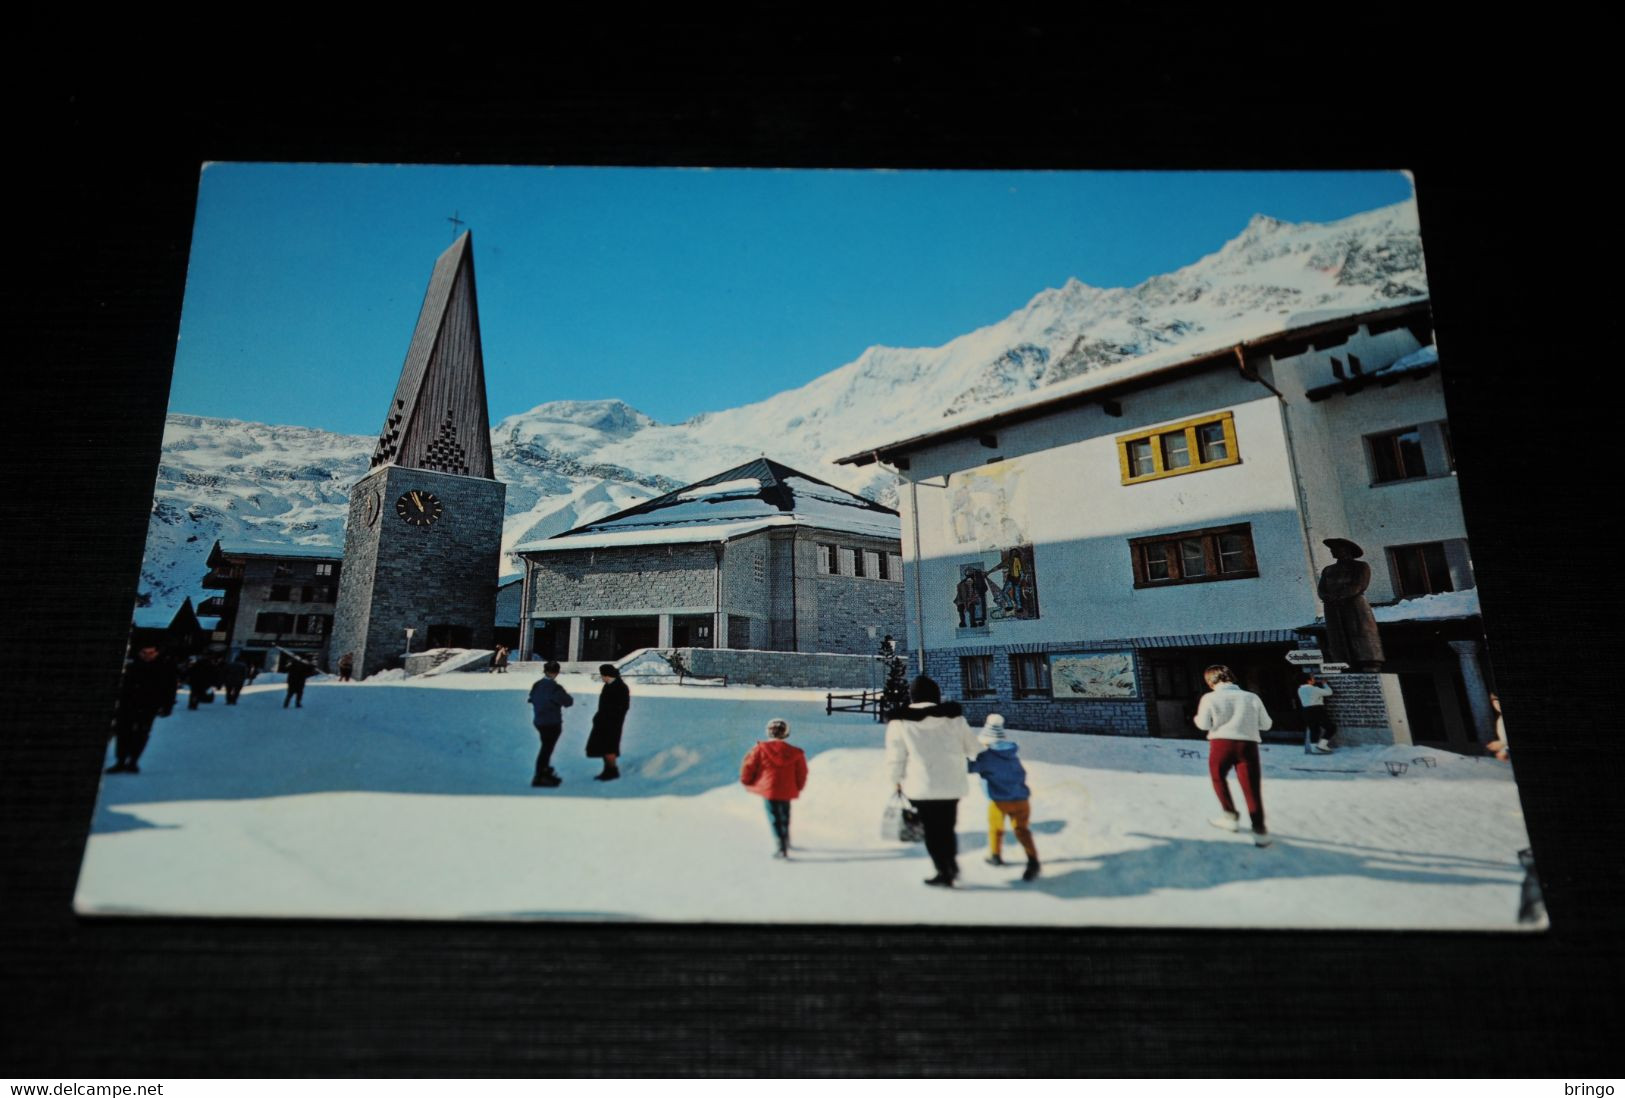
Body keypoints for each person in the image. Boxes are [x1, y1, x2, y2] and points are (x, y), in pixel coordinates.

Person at [885, 674, 983, 887]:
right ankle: (951, 864)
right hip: (952, 784)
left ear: (912, 697)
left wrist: (896, 780)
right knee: (947, 827)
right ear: (936, 695)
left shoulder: (900, 722)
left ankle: (943, 870)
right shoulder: (955, 719)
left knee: (931, 831)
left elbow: (896, 756)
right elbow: (974, 748)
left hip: (920, 786)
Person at [1194, 664, 1273, 847]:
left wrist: (1198, 718)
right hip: (1248, 745)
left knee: (1218, 778)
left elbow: (1203, 724)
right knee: (1251, 787)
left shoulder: (1210, 698)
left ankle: (1230, 816)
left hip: (1221, 744)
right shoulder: (1251, 697)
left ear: (1210, 680)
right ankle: (1259, 829)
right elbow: (1266, 725)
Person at [967, 714, 1041, 881]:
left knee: (996, 829)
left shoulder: (986, 757)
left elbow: (969, 767)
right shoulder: (1012, 754)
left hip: (999, 802)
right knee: (1022, 831)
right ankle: (1033, 859)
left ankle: (995, 855)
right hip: (1022, 800)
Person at [739, 718, 808, 858]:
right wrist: (798, 786)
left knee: (774, 816)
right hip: (788, 789)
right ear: (786, 733)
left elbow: (749, 766)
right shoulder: (795, 752)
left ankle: (780, 846)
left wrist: (746, 781)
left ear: (768, 732)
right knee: (785, 814)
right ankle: (786, 839)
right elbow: (802, 771)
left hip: (769, 789)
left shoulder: (760, 749)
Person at [106, 645, 177, 774]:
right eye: (144, 652)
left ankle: (133, 761)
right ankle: (120, 761)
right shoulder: (131, 666)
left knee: (141, 733)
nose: (147, 655)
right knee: (123, 732)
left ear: (156, 653)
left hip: (149, 706)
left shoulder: (164, 668)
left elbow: (170, 689)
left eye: (151, 653)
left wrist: (167, 706)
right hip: (127, 705)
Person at [526, 660, 574, 787]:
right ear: (556, 673)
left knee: (545, 747)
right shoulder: (555, 688)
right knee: (546, 749)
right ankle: (540, 775)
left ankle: (544, 771)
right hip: (552, 722)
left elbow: (531, 698)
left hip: (539, 721)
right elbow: (568, 702)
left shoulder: (537, 685)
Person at [586, 663, 630, 781]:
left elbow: (623, 707)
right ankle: (607, 769)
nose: (602, 678)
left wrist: (612, 717)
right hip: (603, 722)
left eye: (602, 675)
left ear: (607, 675)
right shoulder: (608, 686)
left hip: (613, 723)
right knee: (604, 747)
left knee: (610, 747)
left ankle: (612, 770)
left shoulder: (620, 687)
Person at [1297, 670, 1336, 753]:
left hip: (1306, 711)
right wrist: (1325, 684)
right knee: (1331, 728)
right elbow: (1329, 692)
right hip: (1317, 710)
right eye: (1312, 678)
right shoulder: (1314, 689)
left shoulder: (1300, 690)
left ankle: (1314, 748)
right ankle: (1322, 745)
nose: (1314, 679)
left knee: (1314, 729)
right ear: (1308, 681)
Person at [1486, 692, 1510, 761]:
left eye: (1498, 701)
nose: (1497, 705)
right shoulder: (1500, 720)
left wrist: (1503, 744)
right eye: (1495, 703)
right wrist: (1503, 752)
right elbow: (1503, 740)